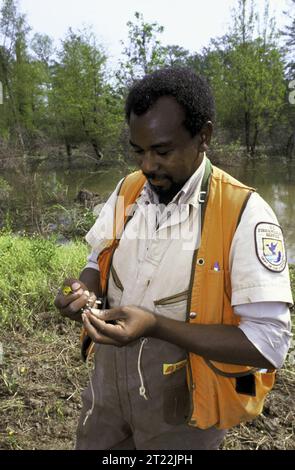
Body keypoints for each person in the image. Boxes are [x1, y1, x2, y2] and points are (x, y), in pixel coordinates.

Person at [54, 67, 293, 450]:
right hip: (107, 391)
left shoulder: (244, 213)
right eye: (138, 151)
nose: (147, 166)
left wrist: (155, 326)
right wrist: (83, 288)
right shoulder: (130, 189)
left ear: (204, 136)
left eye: (162, 151)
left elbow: (268, 343)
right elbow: (96, 256)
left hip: (183, 402)